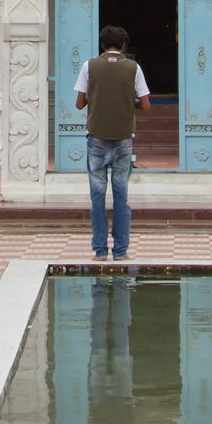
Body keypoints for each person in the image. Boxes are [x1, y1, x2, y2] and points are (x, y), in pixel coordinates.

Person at [74, 24, 150, 261]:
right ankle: (120, 251)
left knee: (97, 196)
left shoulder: (89, 66)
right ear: (124, 45)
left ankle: (99, 250)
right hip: (123, 140)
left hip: (96, 138)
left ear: (102, 45)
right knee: (121, 195)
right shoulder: (133, 68)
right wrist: (130, 103)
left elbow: (79, 103)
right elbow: (146, 105)